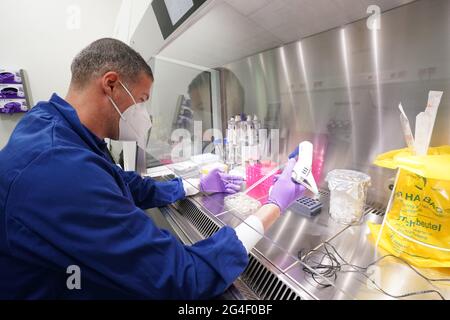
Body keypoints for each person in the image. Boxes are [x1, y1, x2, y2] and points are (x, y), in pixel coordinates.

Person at [0, 38, 304, 299]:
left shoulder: (52, 125)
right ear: (111, 84)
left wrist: (196, 185)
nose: (145, 114)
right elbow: (182, 278)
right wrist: (272, 206)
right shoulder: (59, 169)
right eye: (142, 101)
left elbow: (125, 183)